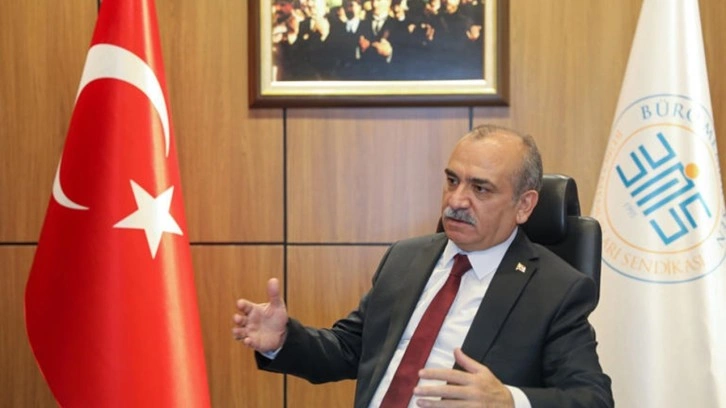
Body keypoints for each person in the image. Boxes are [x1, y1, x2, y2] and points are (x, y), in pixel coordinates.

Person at [233, 124, 614, 407]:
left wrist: (508, 401)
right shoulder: (405, 258)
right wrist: (284, 340)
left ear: (525, 205)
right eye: (452, 180)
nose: (457, 200)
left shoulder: (555, 289)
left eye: (480, 188)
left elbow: (592, 398)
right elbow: (350, 348)